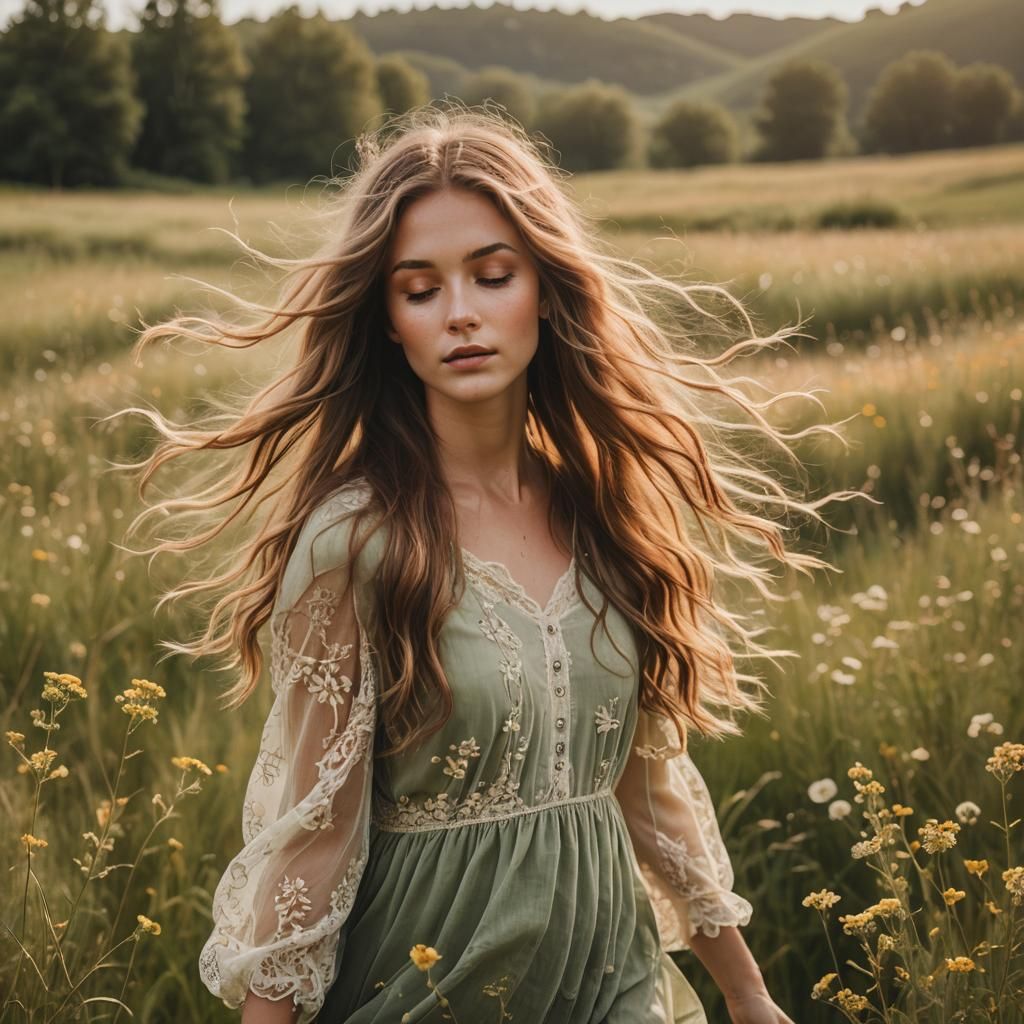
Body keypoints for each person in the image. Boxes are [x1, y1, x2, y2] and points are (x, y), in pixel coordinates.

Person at [125, 103, 848, 1023]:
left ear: (544, 288)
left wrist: (747, 994)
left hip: (612, 982)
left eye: (493, 275)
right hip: (426, 986)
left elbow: (643, 786)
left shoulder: (603, 513)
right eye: (420, 290)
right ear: (389, 321)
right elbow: (311, 836)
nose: (461, 313)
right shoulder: (355, 542)